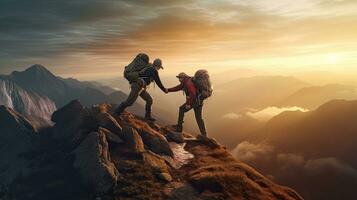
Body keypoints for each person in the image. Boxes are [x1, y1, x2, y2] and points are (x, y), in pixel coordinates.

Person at [115, 57, 168, 121]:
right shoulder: (153, 70)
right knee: (129, 102)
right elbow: (158, 82)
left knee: (149, 100)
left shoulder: (149, 67)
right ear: (158, 66)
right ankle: (116, 113)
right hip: (137, 86)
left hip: (141, 87)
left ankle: (147, 117)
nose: (159, 69)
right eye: (160, 67)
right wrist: (164, 90)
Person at [167, 72, 207, 136]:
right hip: (199, 102)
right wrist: (168, 90)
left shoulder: (188, 83)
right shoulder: (185, 82)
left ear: (183, 78)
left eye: (179, 78)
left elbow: (193, 94)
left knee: (182, 109)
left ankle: (179, 128)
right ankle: (204, 135)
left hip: (194, 101)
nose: (179, 79)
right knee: (199, 118)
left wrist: (188, 104)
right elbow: (178, 88)